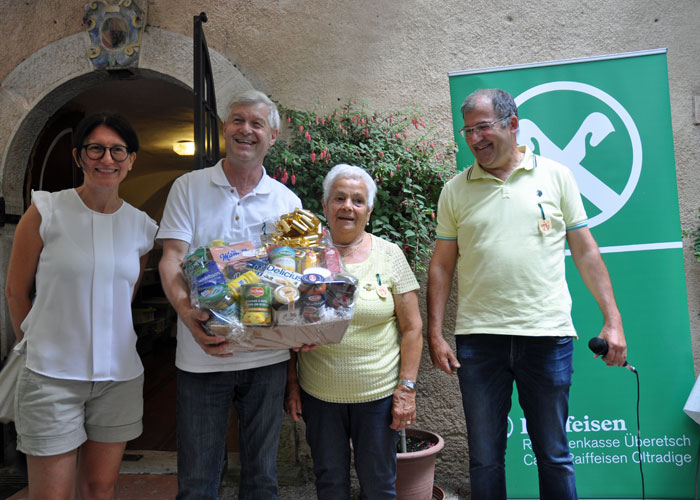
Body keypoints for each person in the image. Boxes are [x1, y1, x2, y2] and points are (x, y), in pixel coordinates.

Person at [427, 88, 627, 500]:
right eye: (468, 131)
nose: (474, 139)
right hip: (479, 341)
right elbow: (442, 265)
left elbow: (586, 251)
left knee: (554, 456)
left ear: (512, 124)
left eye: (483, 127)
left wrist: (613, 320)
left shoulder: (557, 176)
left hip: (547, 337)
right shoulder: (455, 190)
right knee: (485, 459)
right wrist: (435, 332)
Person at [157, 89, 302, 500]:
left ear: (272, 136)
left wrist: (304, 327)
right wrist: (188, 315)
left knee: (262, 479)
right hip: (203, 355)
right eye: (238, 120)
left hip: (267, 358)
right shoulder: (188, 187)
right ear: (224, 128)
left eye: (257, 123)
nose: (246, 130)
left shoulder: (287, 201)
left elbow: (292, 280)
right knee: (198, 480)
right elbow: (172, 259)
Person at [5, 112, 158, 499]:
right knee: (51, 494)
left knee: (99, 488)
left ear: (131, 160)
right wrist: (35, 344)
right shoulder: (46, 210)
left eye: (118, 150)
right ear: (78, 156)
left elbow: (125, 295)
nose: (107, 159)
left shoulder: (141, 226)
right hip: (51, 376)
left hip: (118, 377)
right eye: (96, 149)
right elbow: (15, 291)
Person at [284, 164, 423, 500]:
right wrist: (292, 384)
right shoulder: (304, 257)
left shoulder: (389, 255)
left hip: (378, 397)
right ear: (325, 204)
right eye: (340, 198)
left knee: (379, 485)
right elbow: (286, 327)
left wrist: (406, 389)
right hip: (319, 395)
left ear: (369, 210)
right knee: (330, 483)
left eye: (358, 200)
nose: (348, 206)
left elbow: (412, 327)